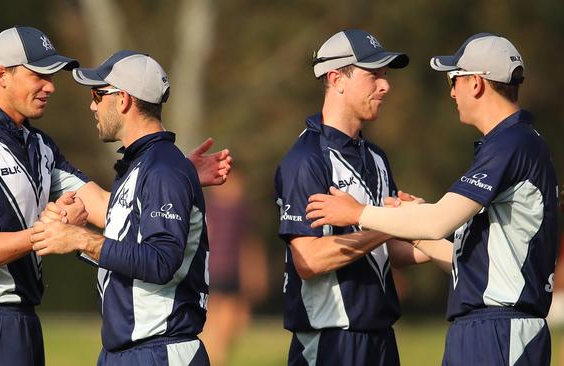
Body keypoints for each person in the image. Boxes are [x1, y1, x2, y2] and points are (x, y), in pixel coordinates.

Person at [0, 27, 231, 366]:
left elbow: (112, 212)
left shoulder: (40, 147)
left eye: (52, 75)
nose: (50, 86)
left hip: (25, 322)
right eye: (39, 75)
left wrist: (175, 176)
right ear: (2, 75)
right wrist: (44, 236)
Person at [306, 33, 558, 365]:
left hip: (500, 331)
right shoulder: (511, 143)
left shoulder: (512, 144)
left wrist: (357, 212)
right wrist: (411, 223)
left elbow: (438, 221)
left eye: (455, 80)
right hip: (485, 328)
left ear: (476, 84)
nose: (452, 91)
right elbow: (465, 260)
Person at [30, 50, 211, 365]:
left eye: (98, 95)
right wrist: (74, 234)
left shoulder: (163, 169)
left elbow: (161, 261)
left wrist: (81, 239)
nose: (92, 105)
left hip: (160, 353)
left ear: (123, 99)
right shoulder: (141, 166)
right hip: (129, 353)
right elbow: (128, 252)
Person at [274, 29, 431, 366]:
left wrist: (446, 230)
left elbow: (393, 251)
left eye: (385, 76)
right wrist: (391, 225)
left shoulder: (377, 157)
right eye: (373, 75)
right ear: (337, 79)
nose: (385, 86)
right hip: (329, 342)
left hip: (381, 338)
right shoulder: (306, 160)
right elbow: (309, 260)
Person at [200, 170, 268, 366]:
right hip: (212, 273)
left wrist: (256, 273)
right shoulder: (208, 209)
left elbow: (250, 245)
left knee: (236, 323)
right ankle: (213, 359)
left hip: (234, 273)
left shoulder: (242, 212)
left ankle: (215, 357)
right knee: (214, 325)